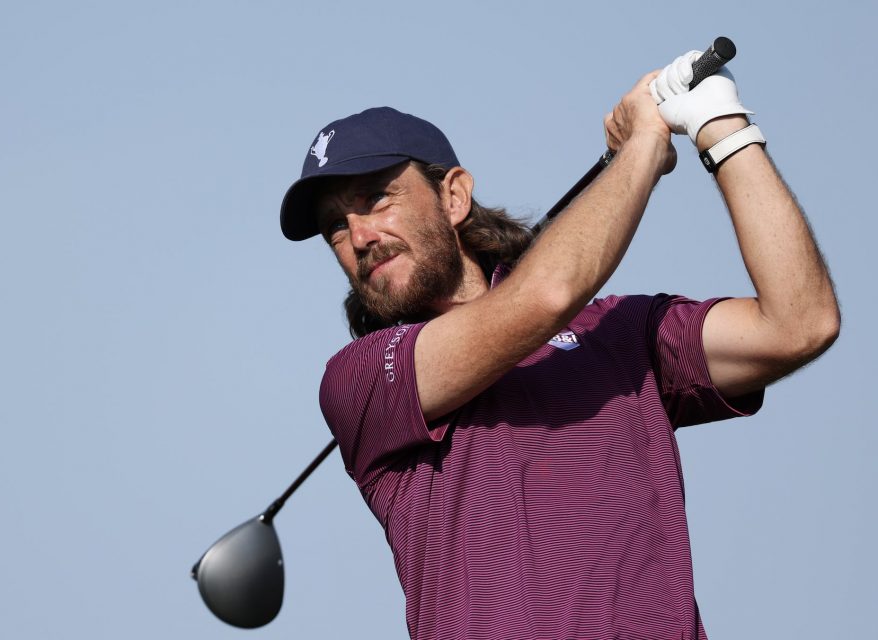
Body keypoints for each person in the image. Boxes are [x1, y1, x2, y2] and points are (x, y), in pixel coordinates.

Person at [279, 52, 839, 640]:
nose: (360, 236)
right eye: (336, 227)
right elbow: (546, 296)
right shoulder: (361, 381)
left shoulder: (619, 331)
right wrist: (643, 144)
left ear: (453, 197)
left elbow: (800, 323)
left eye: (377, 198)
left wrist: (722, 126)